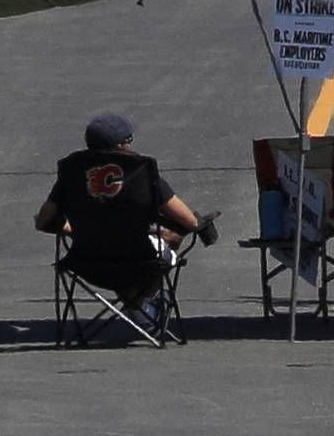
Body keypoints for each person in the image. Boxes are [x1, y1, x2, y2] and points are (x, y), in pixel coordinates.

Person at [34, 114, 213, 313]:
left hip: (86, 263)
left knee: (131, 243)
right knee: (172, 237)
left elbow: (43, 221)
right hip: (139, 261)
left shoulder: (73, 171)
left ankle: (136, 305)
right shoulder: (140, 171)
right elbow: (190, 221)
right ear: (122, 145)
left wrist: (74, 231)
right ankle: (139, 306)